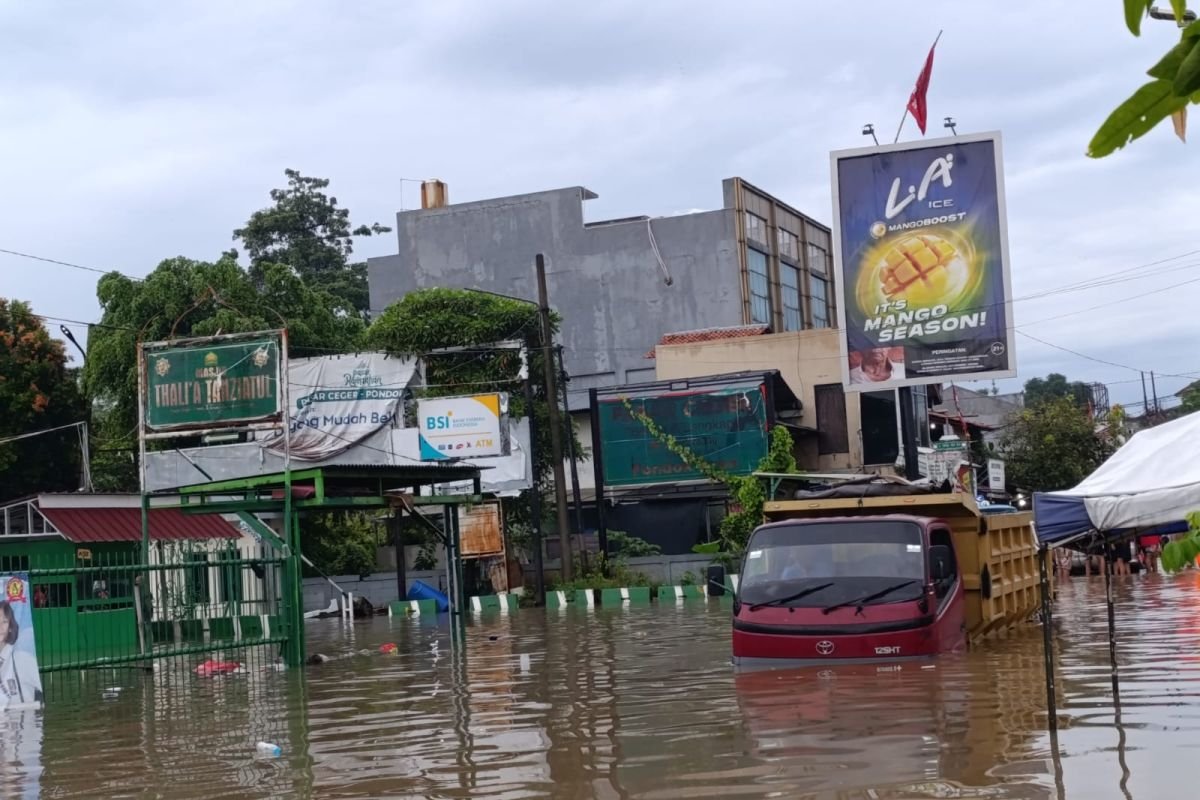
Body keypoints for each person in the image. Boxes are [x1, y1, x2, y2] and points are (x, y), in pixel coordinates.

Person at [0, 601, 42, 710]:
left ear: (10, 626)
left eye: (4, 622)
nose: (0, 627)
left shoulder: (23, 659)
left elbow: (39, 695)